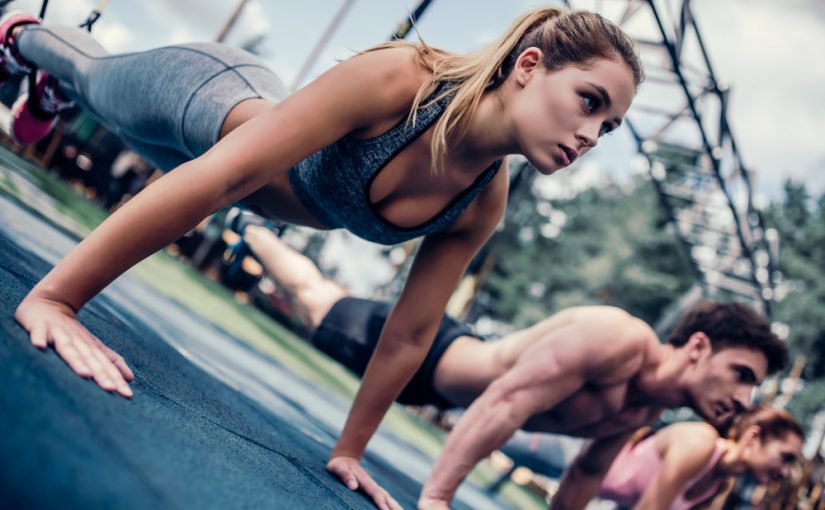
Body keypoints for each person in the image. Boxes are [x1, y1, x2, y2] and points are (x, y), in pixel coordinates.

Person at [3, 7, 643, 508]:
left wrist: (351, 451)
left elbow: (411, 332)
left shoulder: (483, 202)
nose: (591, 135)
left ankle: (50, 98)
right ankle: (24, 38)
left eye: (608, 126)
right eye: (591, 102)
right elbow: (220, 181)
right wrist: (58, 299)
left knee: (97, 110)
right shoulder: (403, 80)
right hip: (206, 100)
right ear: (529, 65)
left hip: (221, 178)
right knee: (91, 75)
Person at [237, 225, 789, 509]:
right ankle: (244, 218)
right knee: (313, 297)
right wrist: (436, 499)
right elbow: (504, 399)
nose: (744, 399)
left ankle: (248, 226)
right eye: (741, 373)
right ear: (697, 347)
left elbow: (587, 474)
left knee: (319, 293)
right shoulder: (618, 340)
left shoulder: (649, 406)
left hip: (438, 392)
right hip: (428, 355)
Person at [599, 405, 803, 509]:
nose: (785, 472)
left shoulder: (720, 484)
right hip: (572, 467)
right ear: (753, 437)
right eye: (786, 457)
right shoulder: (701, 442)